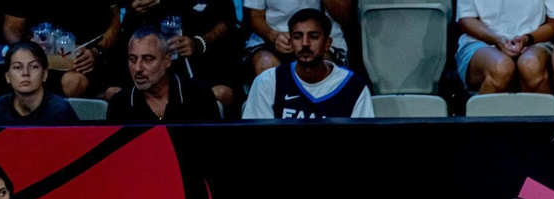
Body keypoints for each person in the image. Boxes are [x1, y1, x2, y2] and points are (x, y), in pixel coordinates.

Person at [243, 8, 373, 118]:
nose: (305, 43)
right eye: (298, 37)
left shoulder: (354, 88)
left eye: (313, 36)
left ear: (327, 43)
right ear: (290, 43)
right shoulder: (267, 82)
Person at [117, 0, 241, 110]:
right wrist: (134, 8)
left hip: (203, 61)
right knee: (117, 95)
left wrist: (199, 43)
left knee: (217, 94)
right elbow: (126, 26)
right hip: (149, 61)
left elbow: (227, 20)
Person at [2, 1, 121, 99]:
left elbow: (115, 21)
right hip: (40, 57)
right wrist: (30, 50)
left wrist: (97, 50)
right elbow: (12, 30)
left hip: (88, 56)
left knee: (76, 82)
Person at [107, 24, 221, 122]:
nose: (138, 68)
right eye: (133, 59)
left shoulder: (200, 97)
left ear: (167, 59)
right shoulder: (119, 105)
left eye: (147, 59)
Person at [456, 0, 554, 95]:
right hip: (481, 41)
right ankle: (479, 117)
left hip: (535, 40)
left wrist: (528, 39)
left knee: (532, 65)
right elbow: (466, 19)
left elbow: (553, 24)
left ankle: (539, 116)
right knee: (500, 68)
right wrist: (495, 40)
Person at [245, 0, 358, 82]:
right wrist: (273, 36)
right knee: (265, 65)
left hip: (321, 38)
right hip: (274, 36)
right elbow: (255, 17)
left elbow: (344, 18)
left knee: (318, 66)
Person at [0, 40, 80, 125]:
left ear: (44, 74)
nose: (25, 73)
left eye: (33, 66)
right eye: (18, 67)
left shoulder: (60, 111)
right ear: (8, 77)